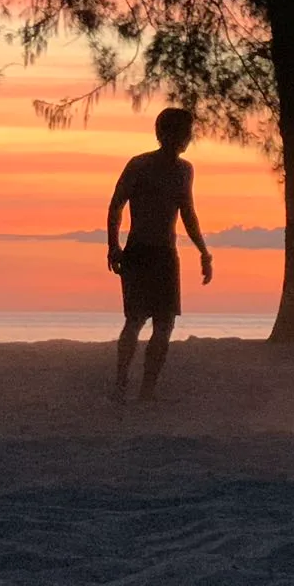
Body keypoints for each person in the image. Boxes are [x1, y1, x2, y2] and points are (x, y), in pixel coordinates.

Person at [106, 108, 212, 403]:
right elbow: (116, 205)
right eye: (185, 133)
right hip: (139, 251)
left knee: (164, 325)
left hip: (166, 254)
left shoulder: (184, 170)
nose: (188, 138)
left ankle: (147, 389)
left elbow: (188, 213)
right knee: (136, 320)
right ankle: (121, 381)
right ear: (169, 134)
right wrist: (113, 246)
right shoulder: (139, 165)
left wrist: (203, 251)